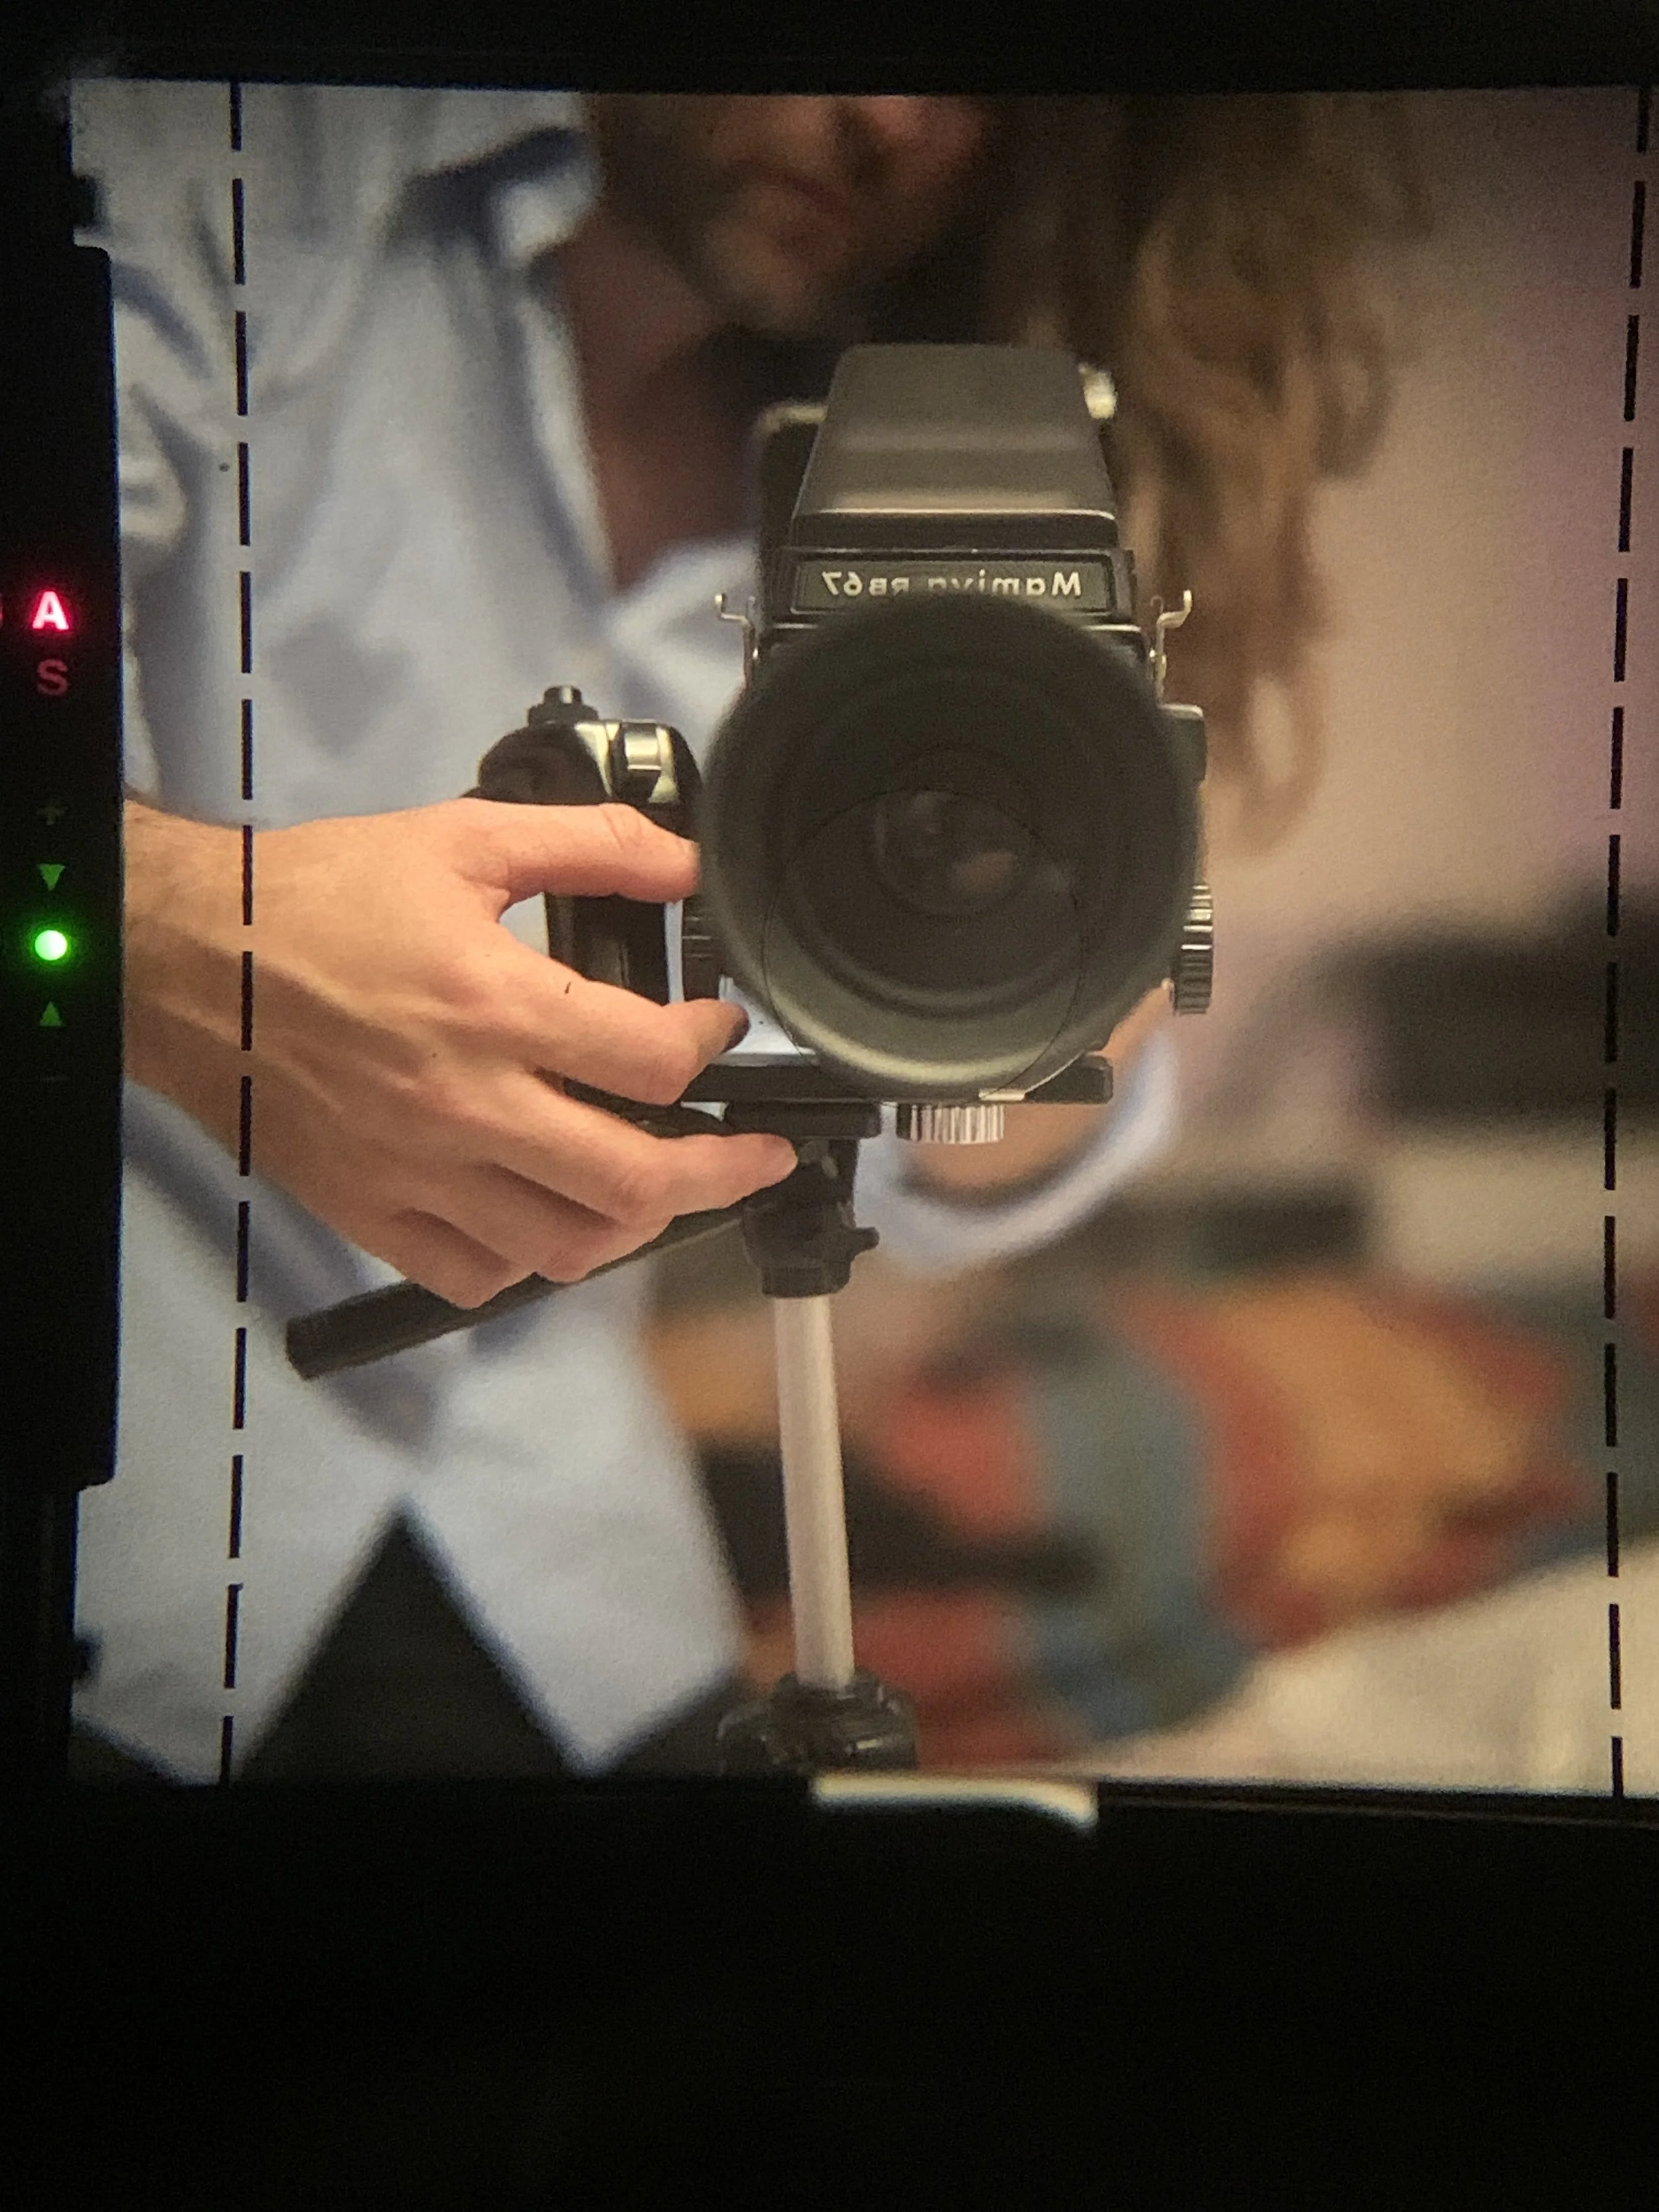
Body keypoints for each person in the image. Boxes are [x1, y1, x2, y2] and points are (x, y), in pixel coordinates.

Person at [67, 85, 1425, 1782]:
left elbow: (942, 1169)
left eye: (971, 75)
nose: (883, 112)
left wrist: (1053, 946)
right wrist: (183, 940)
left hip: (562, 1551)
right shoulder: (216, 173)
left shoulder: (954, 481)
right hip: (122, 1492)